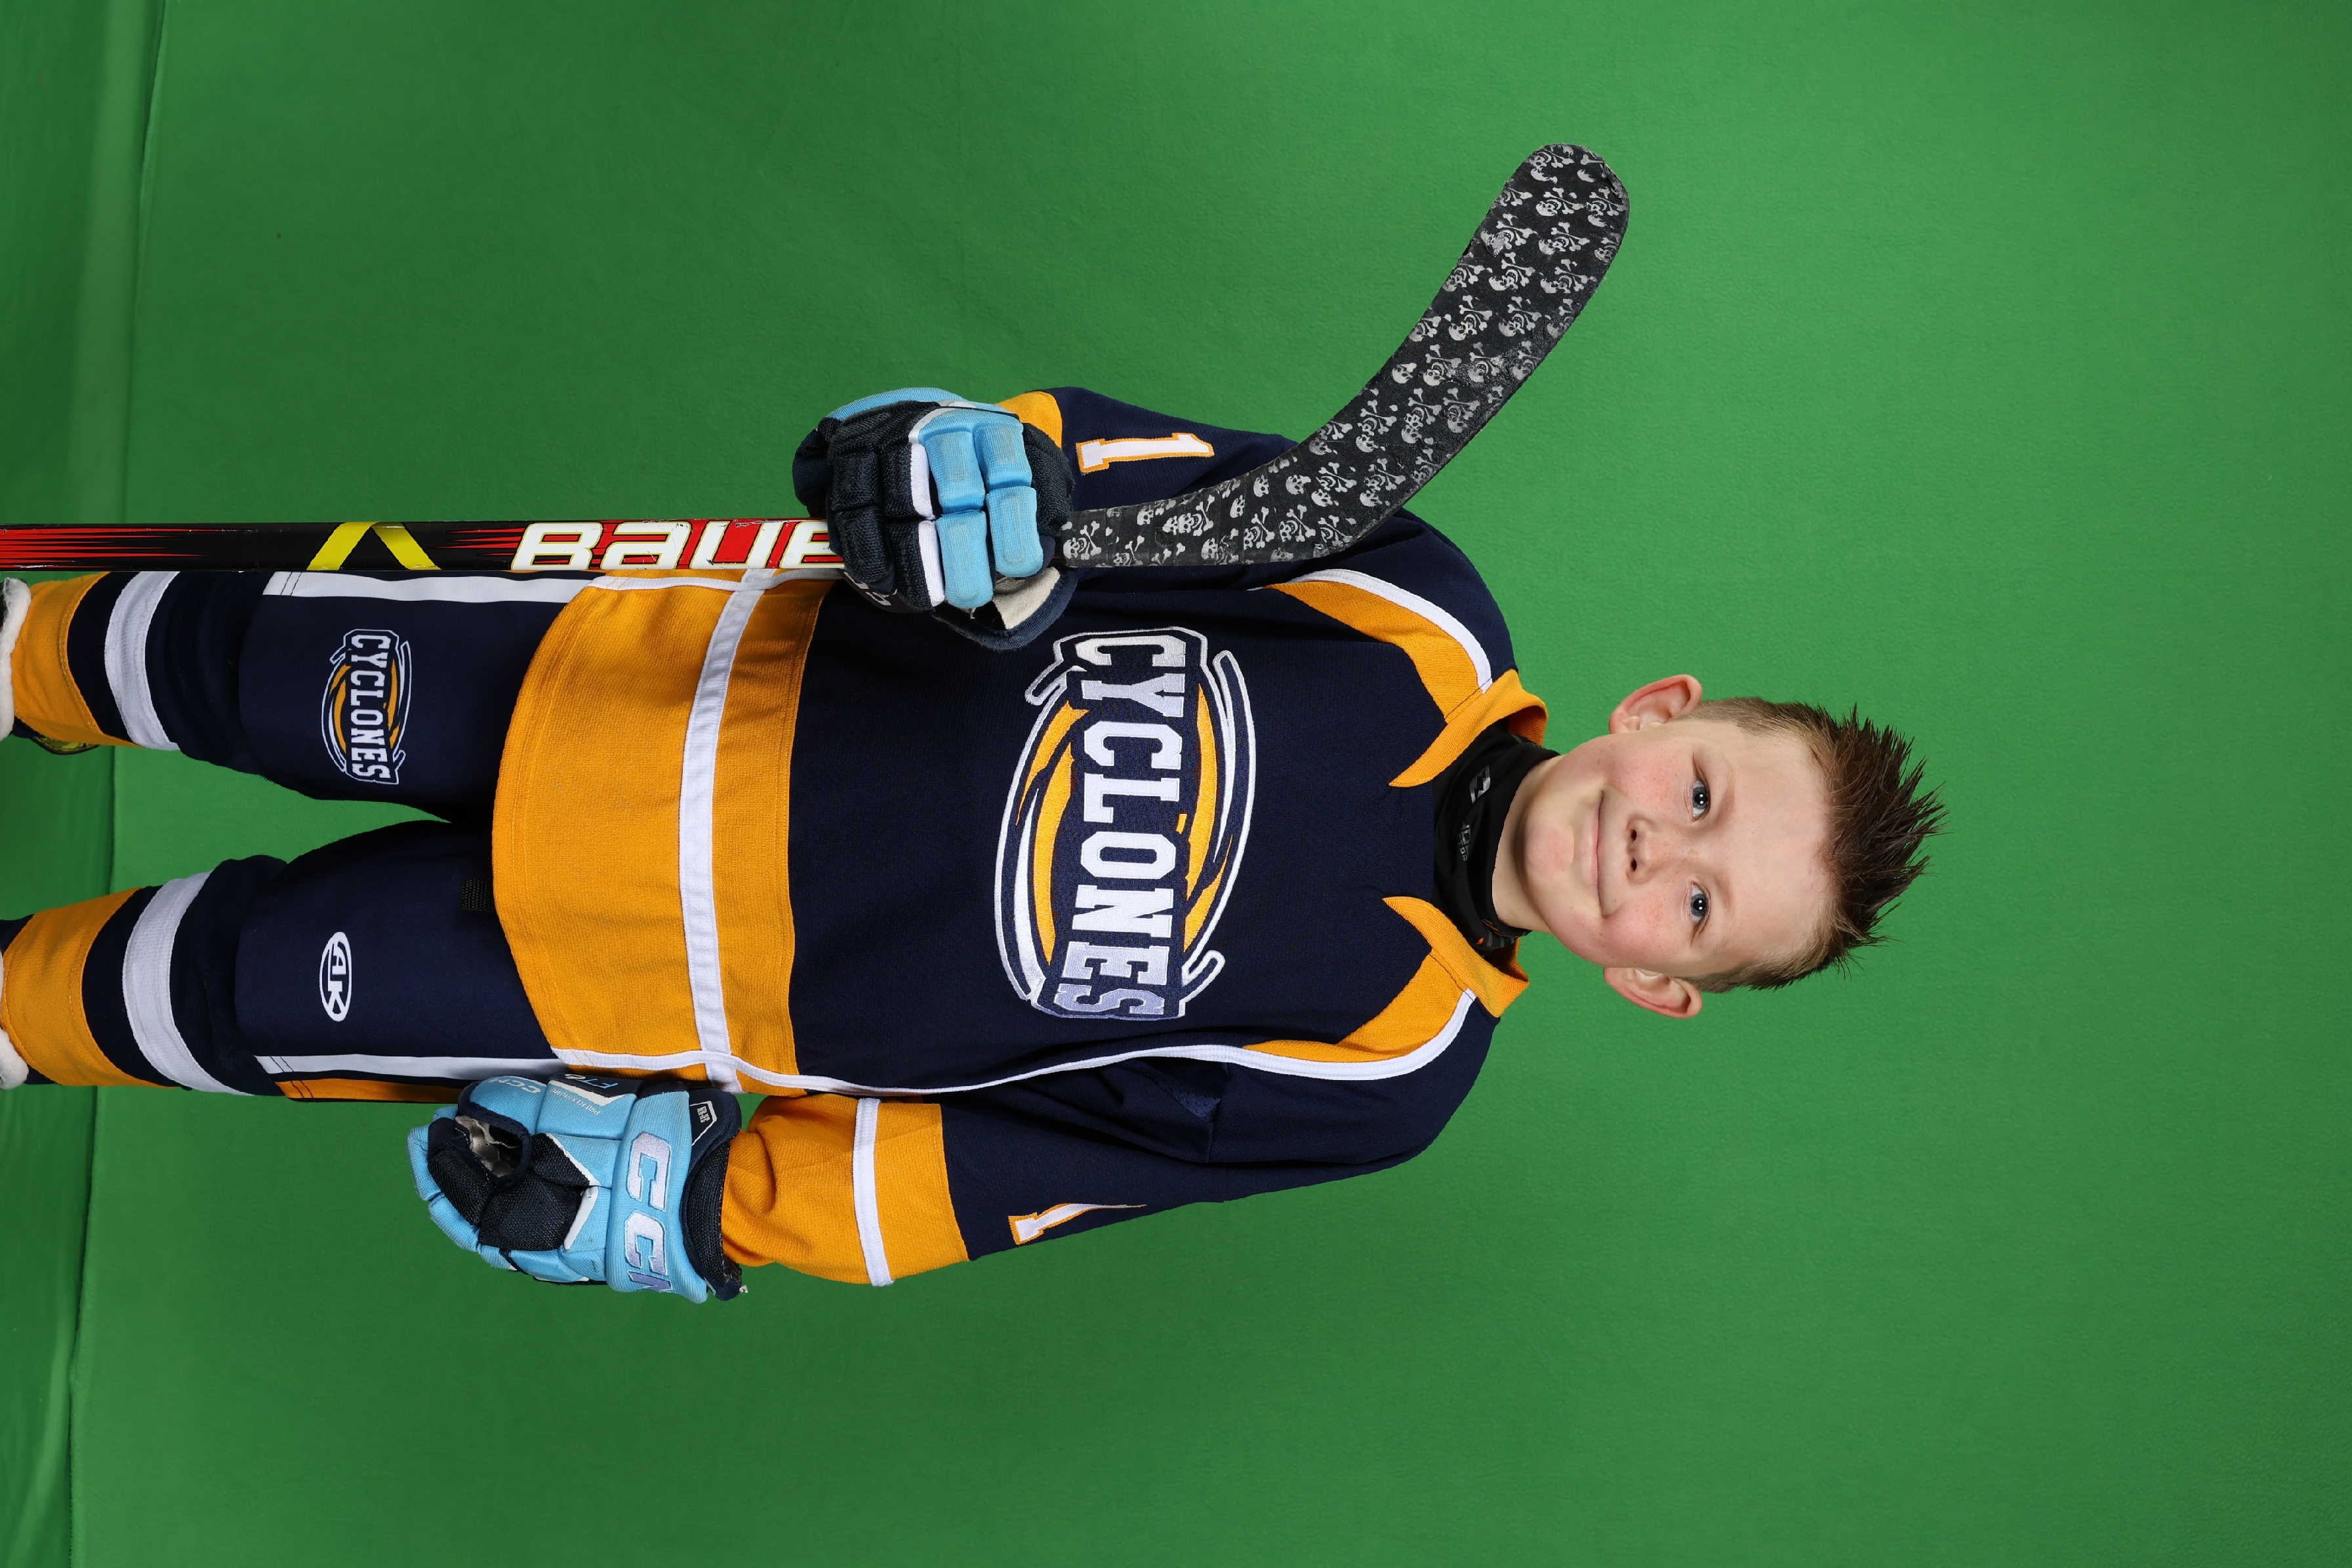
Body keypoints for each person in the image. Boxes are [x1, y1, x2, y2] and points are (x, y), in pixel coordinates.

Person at [0, 388, 1941, 1300]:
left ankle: (12, 1008)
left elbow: (1019, 1167)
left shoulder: (1387, 1073)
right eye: (1702, 794)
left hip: (642, 974)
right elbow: (1087, 477)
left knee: (234, 993)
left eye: (1700, 905)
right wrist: (973, 467)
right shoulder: (1407, 598)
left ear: (1659, 983)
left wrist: (716, 1207)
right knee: (250, 665)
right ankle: (20, 655)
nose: (1651, 852)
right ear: (1661, 711)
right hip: (652, 679)